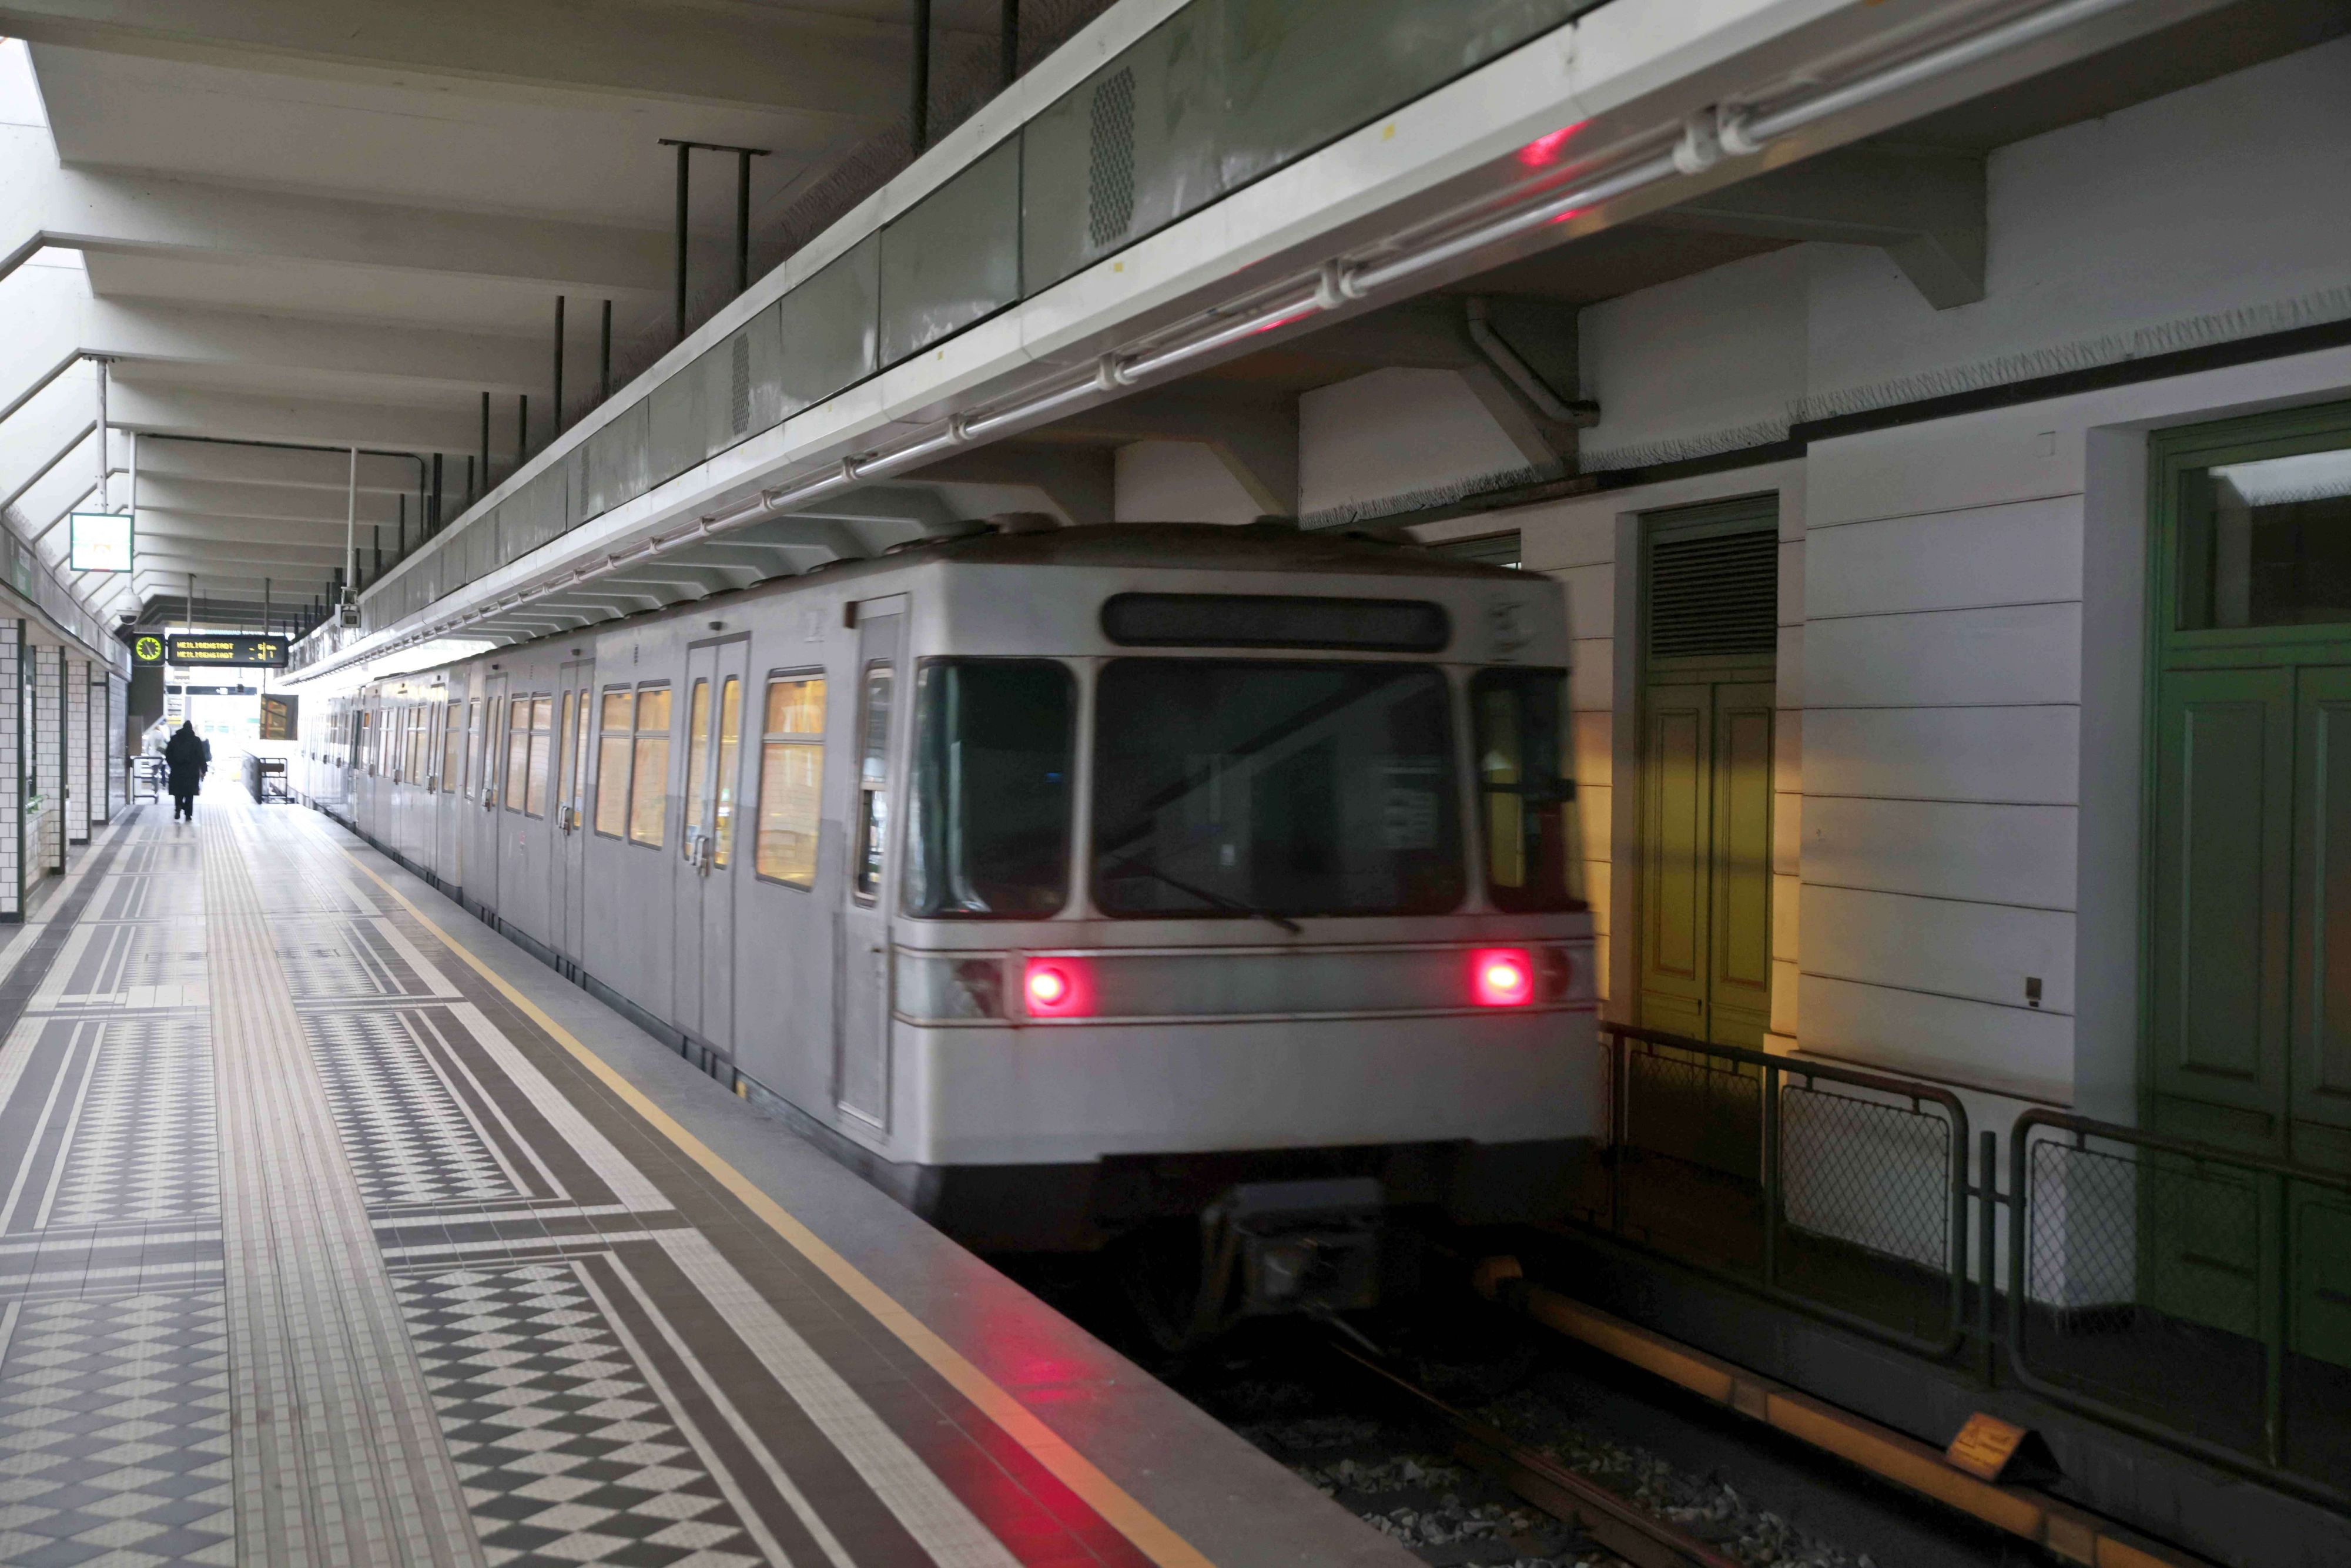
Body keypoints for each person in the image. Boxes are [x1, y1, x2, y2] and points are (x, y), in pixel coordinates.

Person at [163, 720, 209, 822]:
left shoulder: (174, 739)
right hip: (191, 772)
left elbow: (168, 754)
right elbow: (201, 756)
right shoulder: (196, 740)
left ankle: (178, 808)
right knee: (190, 793)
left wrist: (173, 765)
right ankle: (188, 814)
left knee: (178, 792)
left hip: (177, 771)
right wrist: (204, 769)